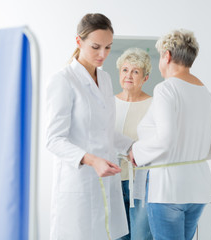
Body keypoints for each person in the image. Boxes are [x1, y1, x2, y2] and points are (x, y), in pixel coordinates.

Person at [131, 29, 211, 240]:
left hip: (168, 191)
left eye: (160, 56)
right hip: (198, 189)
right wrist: (190, 153)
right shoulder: (206, 95)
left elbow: (166, 140)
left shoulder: (166, 89)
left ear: (167, 55)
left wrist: (136, 152)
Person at [46, 13, 133, 240]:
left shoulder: (105, 80)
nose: (102, 54)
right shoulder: (63, 80)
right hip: (79, 185)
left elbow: (105, 130)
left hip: (105, 183)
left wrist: (131, 147)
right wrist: (92, 160)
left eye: (108, 47)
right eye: (96, 47)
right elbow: (54, 139)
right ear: (79, 42)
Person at [114, 48, 153, 240]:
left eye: (135, 71)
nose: (129, 75)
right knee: (117, 234)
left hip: (142, 180)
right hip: (113, 179)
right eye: (125, 70)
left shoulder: (154, 105)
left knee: (141, 235)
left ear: (145, 78)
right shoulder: (108, 103)